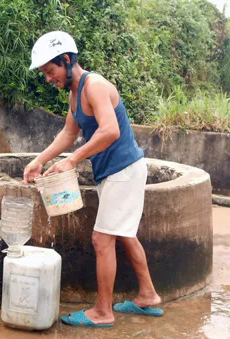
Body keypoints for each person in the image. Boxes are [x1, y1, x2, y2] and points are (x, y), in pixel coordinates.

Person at [23, 31, 163, 327]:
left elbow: (110, 130)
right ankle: (148, 296)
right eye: (45, 74)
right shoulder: (76, 95)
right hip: (117, 172)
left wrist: (72, 160)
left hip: (123, 171)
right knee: (123, 234)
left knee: (102, 239)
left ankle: (102, 312)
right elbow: (68, 134)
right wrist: (39, 161)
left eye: (51, 71)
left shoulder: (95, 85)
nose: (49, 78)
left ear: (66, 60)